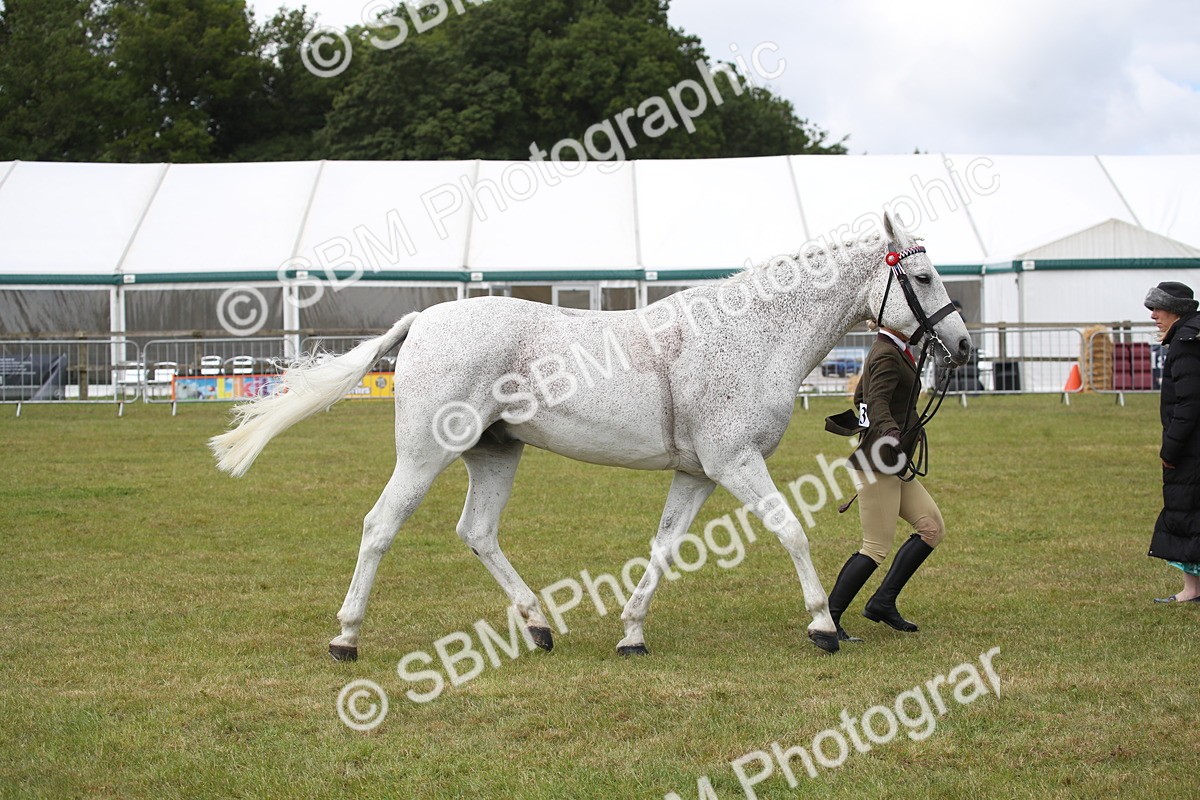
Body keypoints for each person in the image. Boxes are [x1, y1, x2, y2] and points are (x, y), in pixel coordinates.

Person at [823, 323, 947, 641]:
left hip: (893, 461)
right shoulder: (887, 354)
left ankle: (882, 602)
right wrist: (889, 431)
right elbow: (876, 400)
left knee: (931, 528)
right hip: (879, 463)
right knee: (875, 547)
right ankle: (828, 621)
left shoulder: (894, 350)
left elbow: (860, 396)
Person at [1145, 281, 1200, 603]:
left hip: (1191, 449)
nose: (1153, 315)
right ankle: (1193, 589)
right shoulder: (1188, 337)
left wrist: (1171, 449)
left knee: (1187, 513)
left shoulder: (1187, 342)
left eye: (1157, 308)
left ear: (1176, 310)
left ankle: (1192, 590)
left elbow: (1189, 404)